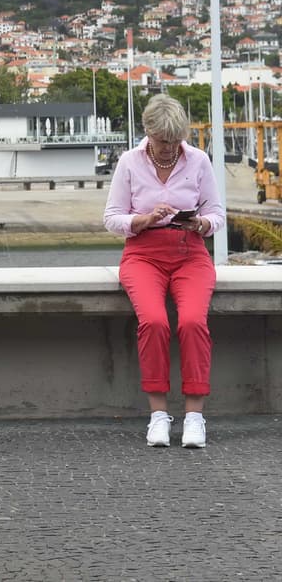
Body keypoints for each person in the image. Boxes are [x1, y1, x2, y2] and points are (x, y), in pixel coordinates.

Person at [104, 94, 224, 449]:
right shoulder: (129, 162)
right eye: (163, 141)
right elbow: (111, 218)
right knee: (154, 322)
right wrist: (143, 220)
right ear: (149, 133)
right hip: (143, 254)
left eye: (175, 141)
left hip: (190, 253)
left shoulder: (199, 160)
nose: (170, 148)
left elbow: (217, 214)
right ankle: (158, 415)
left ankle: (194, 417)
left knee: (192, 322)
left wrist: (201, 223)